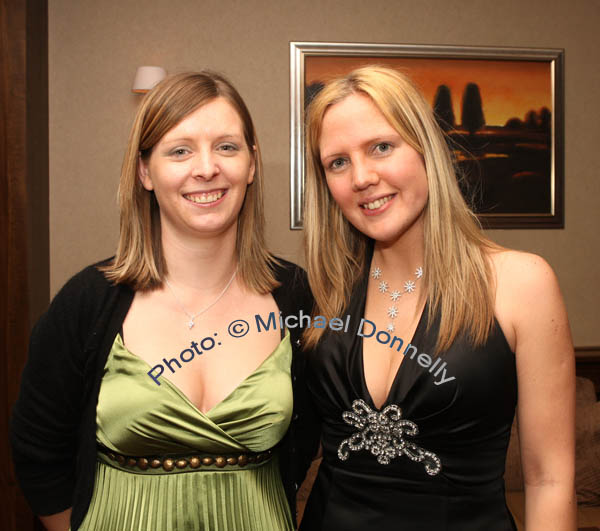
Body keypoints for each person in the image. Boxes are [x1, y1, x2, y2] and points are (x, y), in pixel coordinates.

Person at [11, 71, 316, 531]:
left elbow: (318, 430)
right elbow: (37, 447)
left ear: (252, 165)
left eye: (227, 147)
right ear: (144, 171)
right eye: (180, 150)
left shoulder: (293, 294)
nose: (206, 168)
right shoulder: (88, 301)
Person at [299, 65, 575, 530]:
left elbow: (550, 480)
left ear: (427, 149)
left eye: (381, 147)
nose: (362, 177)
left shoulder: (519, 283)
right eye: (338, 162)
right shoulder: (325, 292)